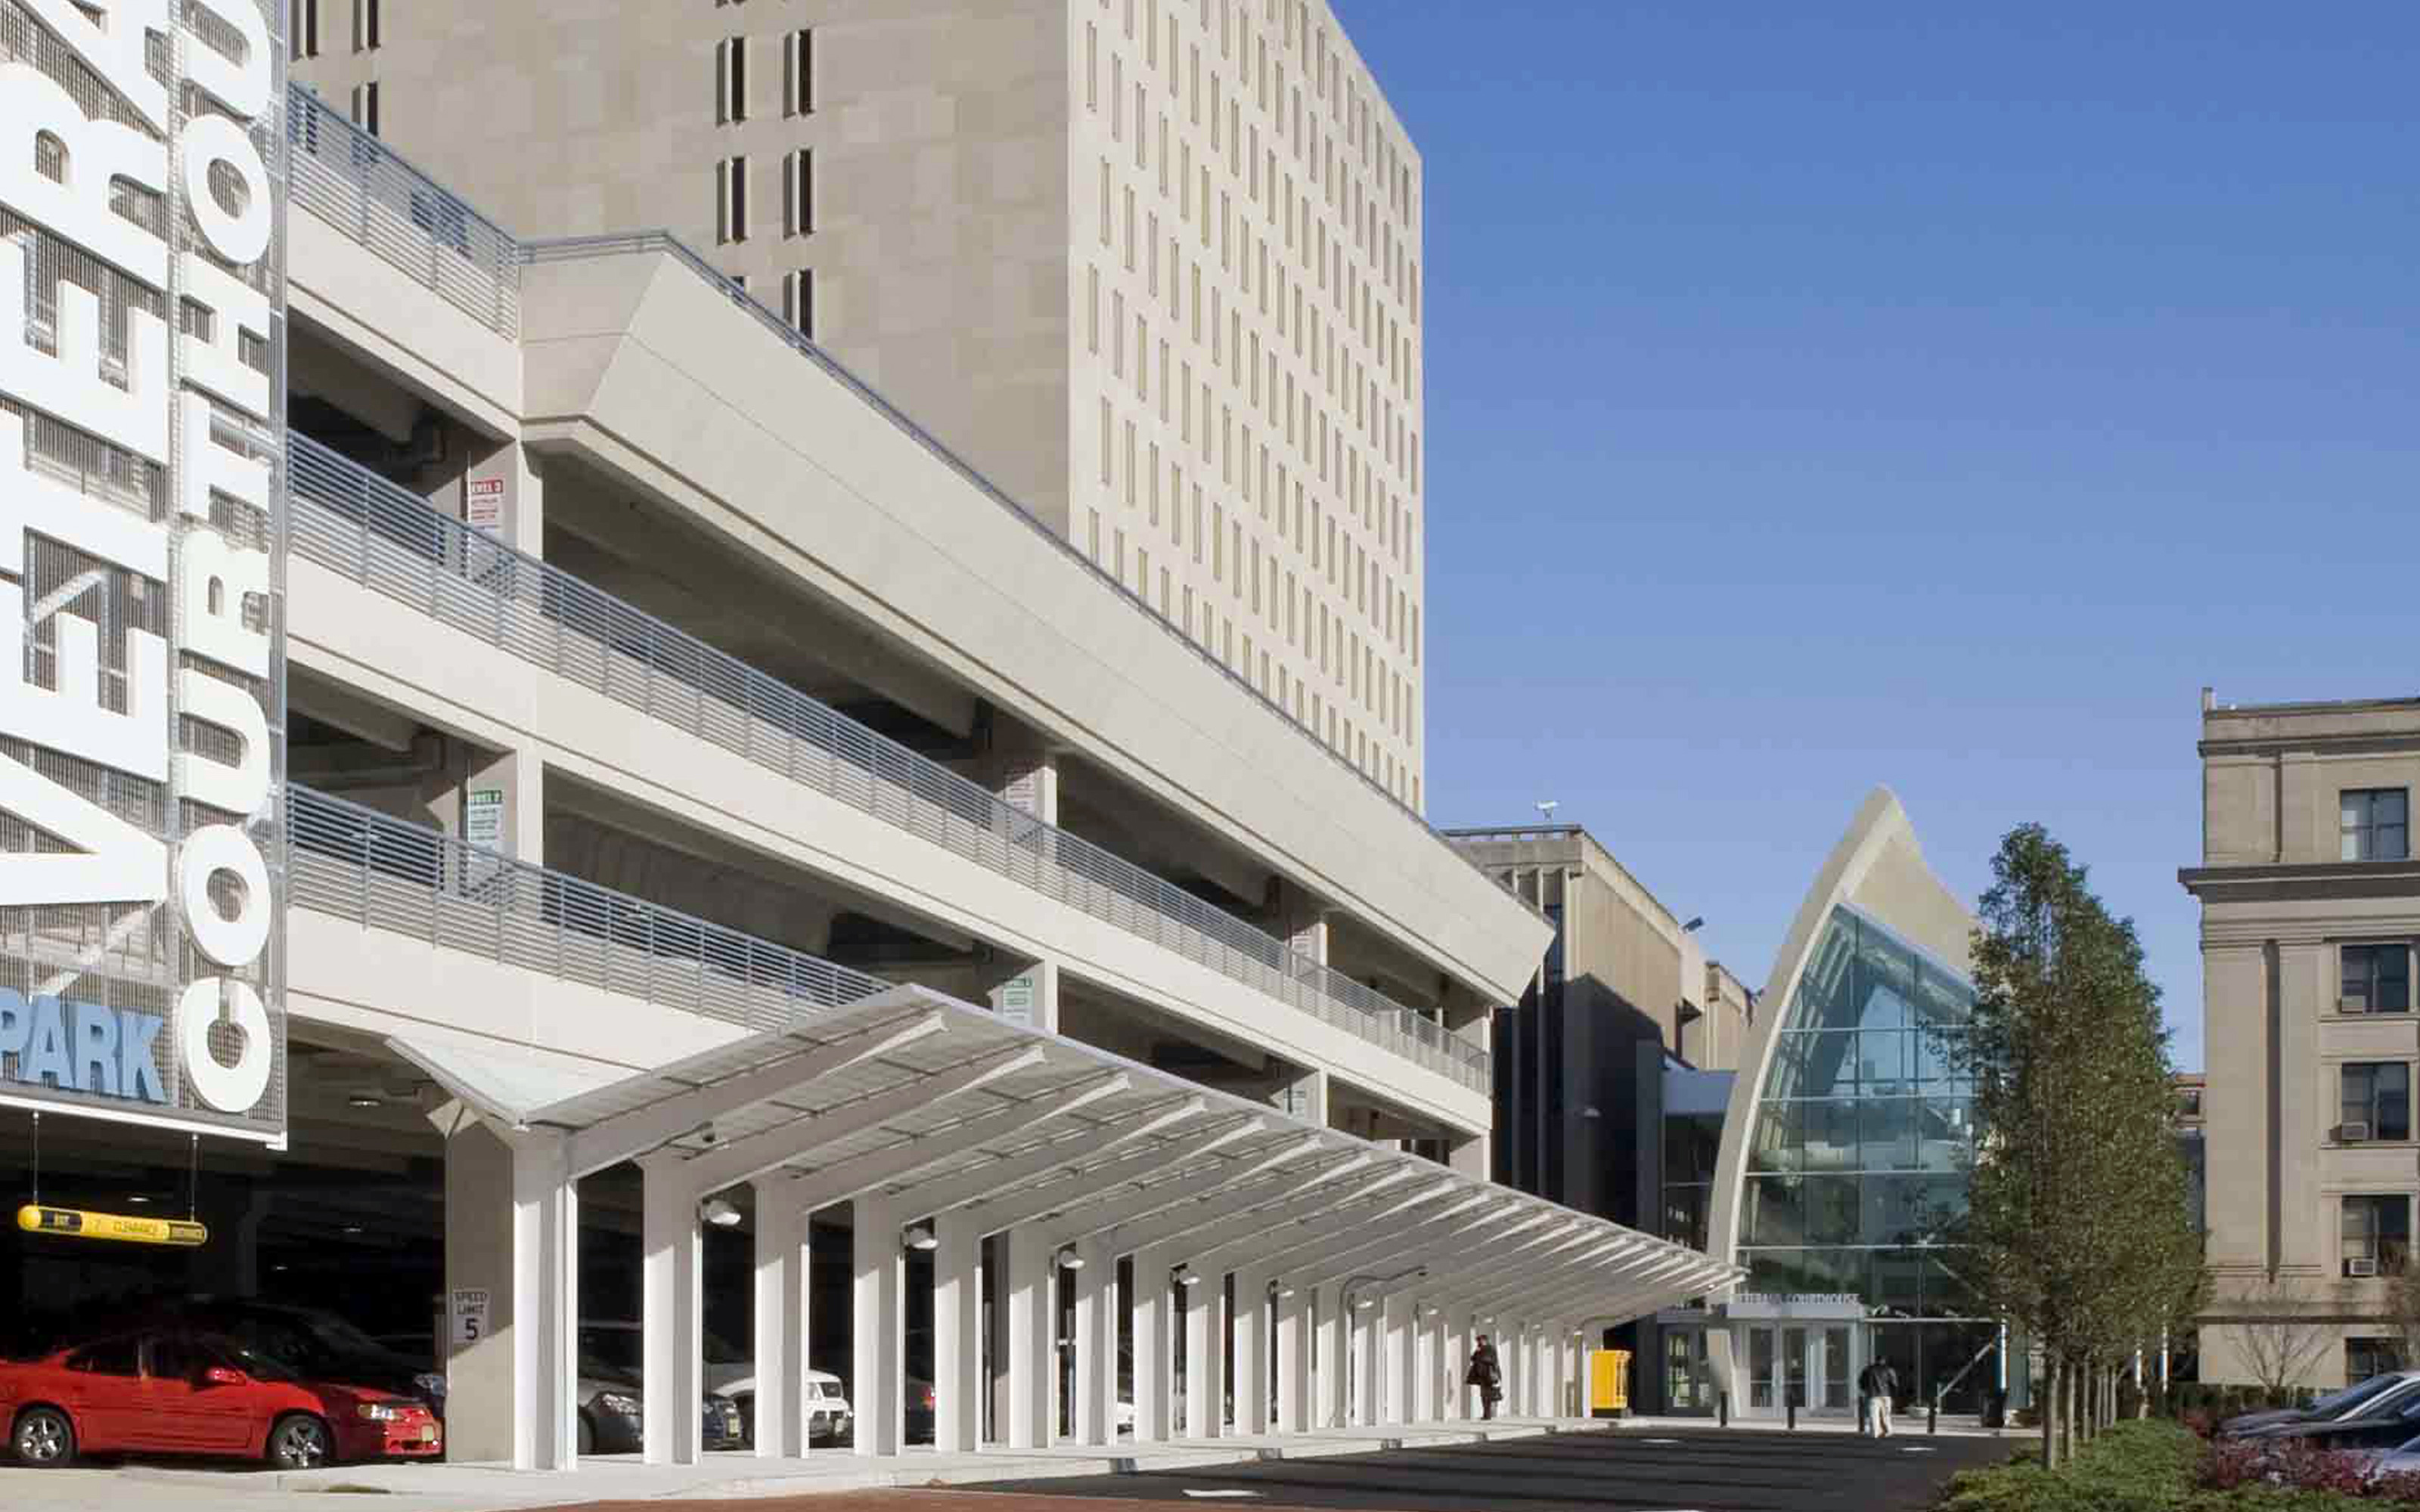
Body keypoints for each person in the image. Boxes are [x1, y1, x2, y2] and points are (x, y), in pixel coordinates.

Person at [1857, 1359, 1900, 1438]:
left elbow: (1861, 1382)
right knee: (1886, 1415)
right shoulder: (1889, 1370)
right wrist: (1894, 1395)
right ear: (1884, 1361)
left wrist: (1866, 1390)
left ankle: (1875, 1433)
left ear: (1876, 1361)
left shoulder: (1868, 1369)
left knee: (1874, 1415)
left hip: (1873, 1395)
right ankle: (1887, 1431)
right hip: (1886, 1395)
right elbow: (1894, 1384)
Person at [1466, 1335, 1503, 1421]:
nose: (1478, 1343)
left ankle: (1488, 1414)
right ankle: (1486, 1414)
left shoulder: (1490, 1349)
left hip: (1489, 1376)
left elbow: (1490, 1360)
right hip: (1483, 1376)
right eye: (1478, 1341)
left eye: (1480, 1341)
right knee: (1484, 1395)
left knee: (1488, 1395)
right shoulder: (1480, 1349)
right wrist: (1477, 1352)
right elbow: (1473, 1358)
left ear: (1485, 1340)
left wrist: (1480, 1356)